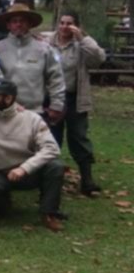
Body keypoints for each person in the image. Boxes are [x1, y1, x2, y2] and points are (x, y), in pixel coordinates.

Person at [0, 80, 66, 232]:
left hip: (28, 172)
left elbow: (51, 148)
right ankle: (2, 206)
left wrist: (24, 168)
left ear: (8, 98)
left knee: (56, 166)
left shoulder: (32, 119)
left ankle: (49, 213)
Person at [44, 10, 107, 195]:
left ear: (77, 25)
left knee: (79, 137)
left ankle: (87, 180)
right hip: (50, 98)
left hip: (73, 99)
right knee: (50, 138)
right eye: (62, 23)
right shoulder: (47, 41)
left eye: (69, 23)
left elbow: (98, 59)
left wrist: (82, 38)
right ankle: (47, 180)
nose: (64, 27)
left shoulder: (82, 44)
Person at [0, 4, 65, 123]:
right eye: (14, 21)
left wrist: (57, 105)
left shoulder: (44, 49)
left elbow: (56, 78)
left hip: (35, 112)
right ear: (8, 25)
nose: (18, 24)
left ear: (30, 24)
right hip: (5, 110)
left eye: (22, 21)